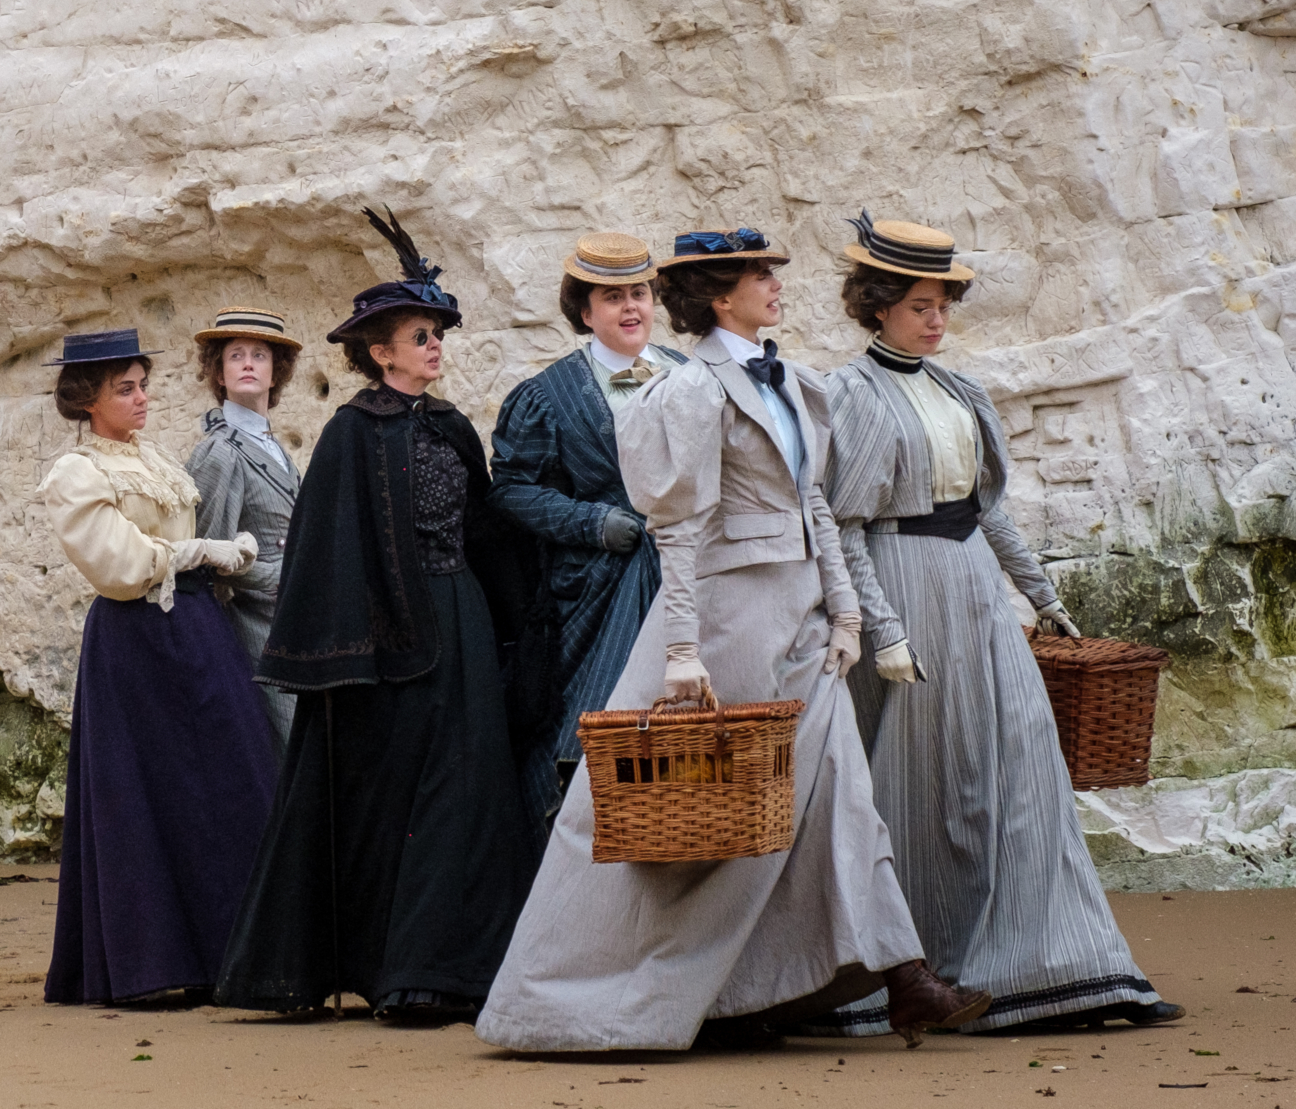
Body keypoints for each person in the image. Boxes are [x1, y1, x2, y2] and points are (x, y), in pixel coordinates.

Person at [478, 228, 988, 1052]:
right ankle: (571, 994)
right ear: (722, 296)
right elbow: (678, 532)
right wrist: (681, 650)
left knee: (842, 796)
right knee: (708, 828)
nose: (775, 286)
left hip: (807, 619)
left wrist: (847, 611)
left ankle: (905, 977)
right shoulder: (686, 392)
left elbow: (814, 502)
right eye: (760, 275)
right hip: (728, 623)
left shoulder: (794, 379)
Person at [810, 215, 1182, 1034]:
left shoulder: (956, 389)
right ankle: (907, 972)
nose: (935, 318)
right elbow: (843, 523)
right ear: (876, 308)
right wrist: (884, 627)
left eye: (941, 302)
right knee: (923, 778)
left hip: (974, 584)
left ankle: (1072, 964)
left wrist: (1040, 593)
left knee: (1027, 754)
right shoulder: (852, 394)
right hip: (906, 586)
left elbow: (988, 508)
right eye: (917, 305)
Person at [215, 210, 541, 1023]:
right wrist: (340, 658)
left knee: (469, 793)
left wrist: (525, 614)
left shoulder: (453, 426)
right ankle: (402, 970)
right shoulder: (351, 434)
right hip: (389, 641)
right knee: (405, 796)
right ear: (380, 350)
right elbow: (329, 552)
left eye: (437, 332)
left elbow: (487, 533)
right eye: (418, 334)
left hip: (459, 619)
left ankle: (456, 968)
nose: (434, 345)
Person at [38, 328, 278, 1006]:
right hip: (136, 642)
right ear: (88, 398)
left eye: (144, 383)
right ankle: (153, 960)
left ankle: (237, 949)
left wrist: (208, 557)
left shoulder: (156, 459)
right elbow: (118, 566)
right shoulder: (78, 474)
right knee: (144, 794)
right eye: (126, 388)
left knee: (235, 777)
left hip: (198, 629)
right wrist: (204, 550)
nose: (142, 397)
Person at [490, 233, 687, 828]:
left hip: (683, 578)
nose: (631, 308)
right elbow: (511, 488)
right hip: (597, 590)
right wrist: (594, 522)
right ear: (585, 311)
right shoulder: (548, 396)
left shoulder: (684, 374)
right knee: (601, 732)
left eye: (639, 294)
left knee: (685, 730)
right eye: (612, 298)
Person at [185, 307, 306, 749]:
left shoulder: (271, 445)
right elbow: (209, 559)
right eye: (236, 356)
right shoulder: (220, 452)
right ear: (219, 373)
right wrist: (285, 577)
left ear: (276, 374)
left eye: (260, 355)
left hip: (294, 624)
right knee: (286, 753)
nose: (249, 363)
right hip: (256, 633)